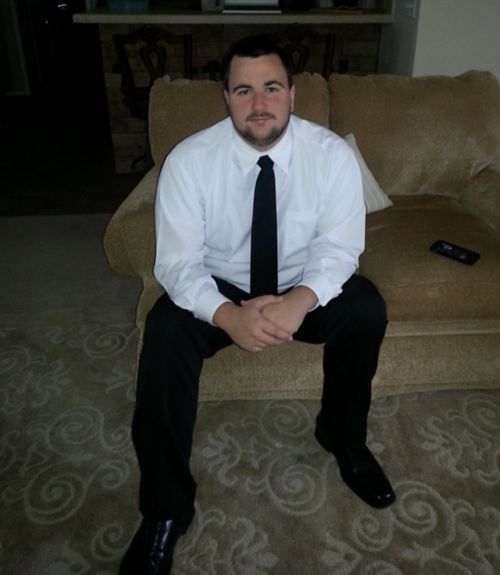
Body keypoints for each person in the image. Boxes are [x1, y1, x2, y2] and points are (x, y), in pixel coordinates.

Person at [119, 34, 395, 575]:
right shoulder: (190, 161)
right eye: (243, 91)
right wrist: (226, 315)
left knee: (365, 308)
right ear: (226, 98)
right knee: (165, 332)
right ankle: (165, 509)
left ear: (292, 94)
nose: (259, 104)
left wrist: (300, 301)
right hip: (220, 287)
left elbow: (341, 249)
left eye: (271, 88)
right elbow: (177, 264)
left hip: (300, 284)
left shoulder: (331, 156)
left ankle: (343, 438)